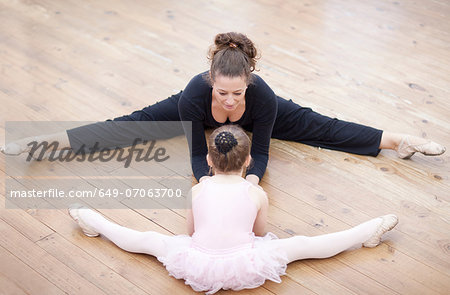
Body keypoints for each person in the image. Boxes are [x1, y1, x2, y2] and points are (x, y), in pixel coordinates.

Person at [1, 32, 445, 185]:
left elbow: (265, 151)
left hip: (266, 115)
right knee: (129, 127)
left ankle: (397, 140)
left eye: (238, 92)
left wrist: (251, 179)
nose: (230, 100)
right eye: (223, 92)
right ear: (212, 81)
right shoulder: (194, 96)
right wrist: (206, 182)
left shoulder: (263, 97)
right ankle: (41, 143)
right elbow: (197, 153)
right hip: (189, 109)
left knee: (318, 126)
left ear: (248, 82)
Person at [68, 125, 399, 294]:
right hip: (245, 264)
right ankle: (364, 233)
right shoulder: (255, 193)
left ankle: (94, 220)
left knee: (148, 240)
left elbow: (189, 234)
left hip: (196, 262)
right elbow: (258, 234)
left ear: (209, 161)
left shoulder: (199, 189)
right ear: (249, 161)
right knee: (303, 247)